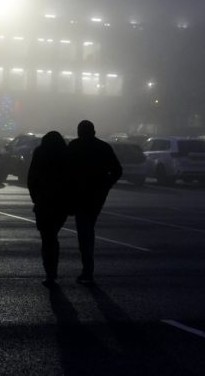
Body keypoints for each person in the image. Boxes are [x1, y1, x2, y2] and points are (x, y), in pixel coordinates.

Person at [67, 120, 122, 285]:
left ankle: (87, 269)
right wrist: (106, 185)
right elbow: (117, 170)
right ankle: (87, 269)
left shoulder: (74, 146)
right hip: (97, 195)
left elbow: (65, 170)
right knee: (87, 228)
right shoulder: (103, 147)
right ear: (94, 131)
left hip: (79, 194)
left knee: (84, 231)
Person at [27, 131, 69, 287]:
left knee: (47, 238)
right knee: (53, 236)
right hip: (61, 202)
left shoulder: (40, 153)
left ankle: (50, 272)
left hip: (44, 201)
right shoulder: (66, 154)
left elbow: (32, 177)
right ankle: (53, 270)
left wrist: (35, 197)